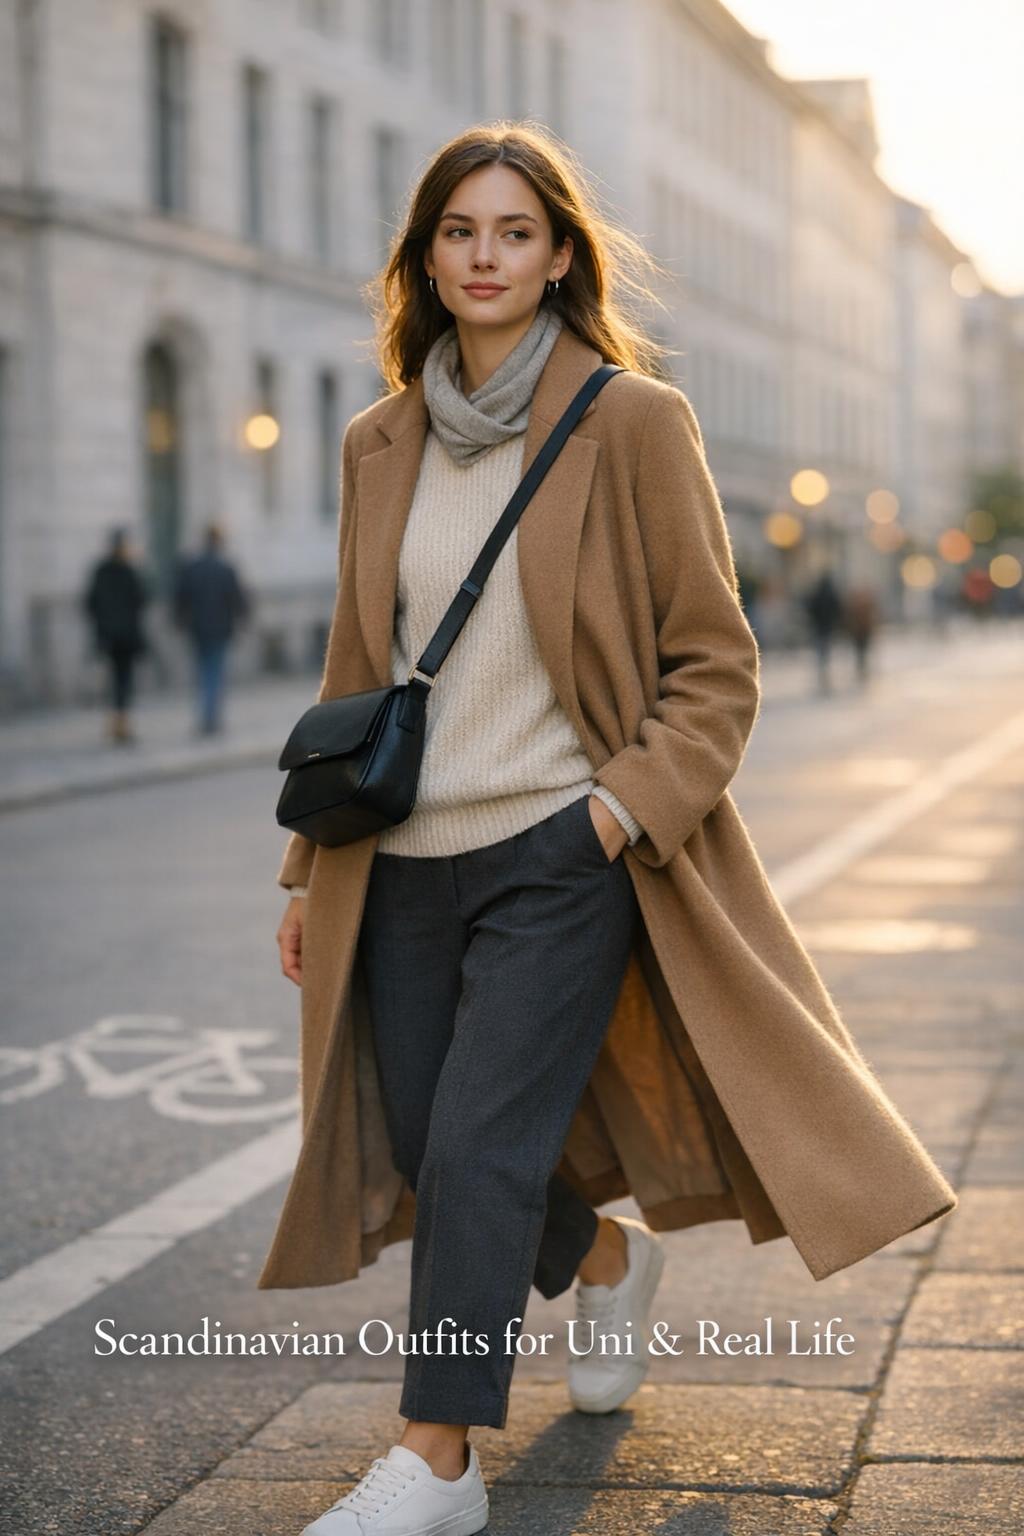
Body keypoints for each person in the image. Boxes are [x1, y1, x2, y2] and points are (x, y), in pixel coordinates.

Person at [269, 125, 957, 1536]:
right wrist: (302, 868)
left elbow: (717, 662)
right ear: (426, 256)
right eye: (460, 232)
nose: (484, 257)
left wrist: (610, 816)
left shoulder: (631, 421)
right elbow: (356, 668)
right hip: (392, 858)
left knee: (476, 1151)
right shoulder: (377, 438)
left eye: (514, 233)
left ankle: (437, 1459)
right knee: (425, 1132)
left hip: (556, 852)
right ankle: (597, 1262)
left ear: (561, 254)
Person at [172, 524, 250, 735]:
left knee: (203, 672)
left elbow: (180, 597)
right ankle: (211, 718)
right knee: (215, 672)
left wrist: (178, 621)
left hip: (198, 628)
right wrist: (244, 621)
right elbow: (238, 599)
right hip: (220, 628)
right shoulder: (225, 568)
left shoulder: (193, 567)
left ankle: (206, 716)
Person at [82, 527, 150, 745]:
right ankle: (121, 724)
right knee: (124, 680)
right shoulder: (129, 571)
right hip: (126, 636)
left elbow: (90, 603)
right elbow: (143, 599)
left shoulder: (102, 571)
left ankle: (116, 723)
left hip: (109, 636)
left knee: (115, 679)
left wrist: (102, 624)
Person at [803, 566, 845, 694]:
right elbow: (838, 609)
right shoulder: (831, 594)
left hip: (819, 627)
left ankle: (822, 671)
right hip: (828, 627)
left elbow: (811, 608)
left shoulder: (817, 594)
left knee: (821, 651)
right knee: (825, 651)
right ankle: (824, 671)